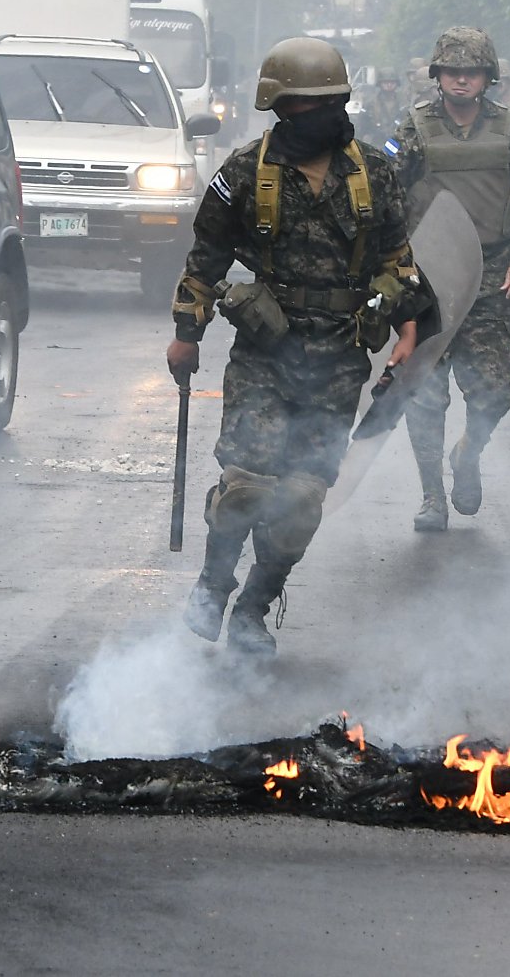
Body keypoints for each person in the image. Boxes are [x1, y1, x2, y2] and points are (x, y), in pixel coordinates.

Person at [168, 37, 432, 654]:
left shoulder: (372, 171)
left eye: (322, 104)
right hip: (265, 355)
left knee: (301, 502)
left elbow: (399, 260)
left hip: (340, 361)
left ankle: (254, 610)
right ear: (279, 108)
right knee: (246, 487)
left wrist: (409, 329)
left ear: (339, 102)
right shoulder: (243, 173)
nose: (310, 117)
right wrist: (187, 333)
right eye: (298, 106)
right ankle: (212, 585)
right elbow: (205, 259)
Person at [388, 27, 510, 531]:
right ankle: (432, 496)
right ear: (438, 75)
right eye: (452, 70)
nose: (462, 79)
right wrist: (397, 270)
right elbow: (386, 200)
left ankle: (469, 451)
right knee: (426, 393)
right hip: (430, 283)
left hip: (489, 280)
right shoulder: (413, 128)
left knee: (495, 390)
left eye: (472, 71)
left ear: (487, 77)